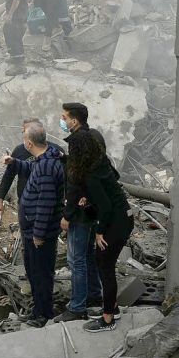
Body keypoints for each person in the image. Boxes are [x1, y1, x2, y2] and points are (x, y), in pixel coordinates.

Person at [61, 130, 133, 333]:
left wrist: (100, 231)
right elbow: (104, 195)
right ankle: (112, 309)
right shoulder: (98, 164)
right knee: (101, 262)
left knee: (105, 267)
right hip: (120, 218)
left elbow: (107, 207)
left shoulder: (92, 174)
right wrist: (89, 199)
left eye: (72, 149)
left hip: (117, 222)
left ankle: (108, 319)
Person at [1, 124, 65, 327]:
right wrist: (14, 162)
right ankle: (37, 309)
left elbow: (46, 204)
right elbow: (31, 168)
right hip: (32, 230)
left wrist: (38, 234)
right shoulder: (44, 159)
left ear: (29, 143)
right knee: (33, 270)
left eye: (23, 138)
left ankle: (43, 314)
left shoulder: (47, 167)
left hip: (40, 234)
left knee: (41, 273)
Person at [0, 118, 60, 217]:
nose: (23, 133)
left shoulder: (56, 151)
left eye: (26, 130)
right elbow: (8, 176)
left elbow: (66, 178)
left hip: (49, 205)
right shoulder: (19, 150)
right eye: (23, 131)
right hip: (25, 203)